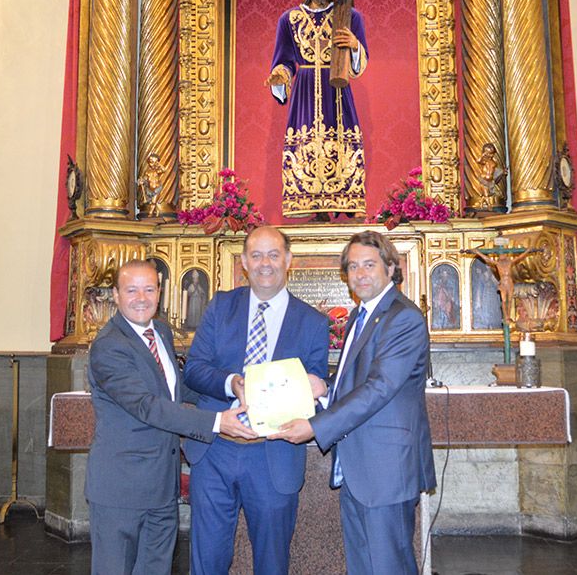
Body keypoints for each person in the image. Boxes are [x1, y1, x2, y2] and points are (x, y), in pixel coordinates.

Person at [271, 230, 436, 575]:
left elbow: (379, 388)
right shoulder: (361, 317)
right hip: (360, 468)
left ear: (391, 268)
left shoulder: (402, 318)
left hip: (386, 469)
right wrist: (324, 388)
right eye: (353, 267)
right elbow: (356, 382)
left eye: (369, 265)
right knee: (363, 566)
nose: (360, 274)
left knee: (388, 565)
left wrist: (315, 427)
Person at [85, 260, 257, 575]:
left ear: (160, 292)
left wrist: (232, 387)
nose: (141, 298)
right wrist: (218, 422)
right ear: (116, 294)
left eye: (149, 289)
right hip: (120, 489)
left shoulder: (159, 330)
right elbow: (147, 405)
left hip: (162, 486)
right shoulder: (109, 346)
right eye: (131, 289)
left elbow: (175, 387)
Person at [182, 226, 331, 573]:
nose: (265, 263)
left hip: (272, 454)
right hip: (216, 451)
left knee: (272, 562)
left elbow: (312, 389)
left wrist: (314, 388)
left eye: (274, 254)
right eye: (257, 255)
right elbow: (194, 370)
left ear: (289, 260)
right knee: (207, 562)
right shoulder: (221, 306)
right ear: (245, 262)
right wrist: (232, 382)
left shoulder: (312, 322)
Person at [267, 0, 368, 219]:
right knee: (306, 143)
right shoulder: (289, 19)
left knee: (341, 141)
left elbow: (360, 61)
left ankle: (343, 201)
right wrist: (280, 75)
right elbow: (285, 59)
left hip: (337, 87)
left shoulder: (348, 15)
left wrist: (354, 45)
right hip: (305, 90)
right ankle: (312, 203)